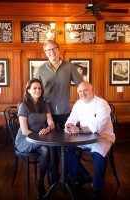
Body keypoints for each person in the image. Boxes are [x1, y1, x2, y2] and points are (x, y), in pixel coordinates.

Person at [36, 39, 83, 183]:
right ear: (45, 53)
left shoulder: (69, 67)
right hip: (47, 113)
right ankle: (54, 175)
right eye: (48, 50)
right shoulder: (41, 69)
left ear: (59, 49)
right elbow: (35, 88)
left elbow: (81, 83)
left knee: (68, 145)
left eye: (54, 49)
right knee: (51, 146)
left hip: (65, 113)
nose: (52, 52)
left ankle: (69, 174)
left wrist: (92, 93)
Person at [64, 81, 115, 198]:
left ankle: (98, 186)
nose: (83, 93)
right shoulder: (78, 103)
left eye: (86, 90)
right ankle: (82, 177)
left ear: (92, 91)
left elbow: (97, 127)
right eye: (80, 91)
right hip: (82, 138)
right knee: (65, 150)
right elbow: (72, 117)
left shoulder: (102, 104)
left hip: (102, 137)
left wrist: (78, 130)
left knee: (98, 155)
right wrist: (69, 125)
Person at [15, 78, 55, 199]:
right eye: (34, 88)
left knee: (46, 149)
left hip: (40, 138)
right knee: (48, 146)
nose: (38, 90)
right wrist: (40, 136)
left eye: (39, 88)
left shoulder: (44, 104)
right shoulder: (24, 106)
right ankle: (54, 176)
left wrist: (47, 129)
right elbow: (25, 131)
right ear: (28, 90)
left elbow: (51, 124)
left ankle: (41, 182)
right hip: (25, 140)